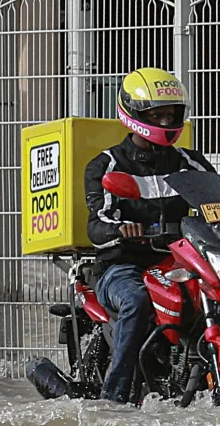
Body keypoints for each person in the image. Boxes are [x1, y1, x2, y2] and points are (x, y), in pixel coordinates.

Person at [79, 67, 211, 403]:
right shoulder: (107, 165)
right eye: (157, 115)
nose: (167, 123)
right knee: (136, 301)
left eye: (172, 115)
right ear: (135, 114)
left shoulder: (190, 163)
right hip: (123, 267)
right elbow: (97, 225)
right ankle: (115, 399)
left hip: (179, 263)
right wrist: (121, 230)